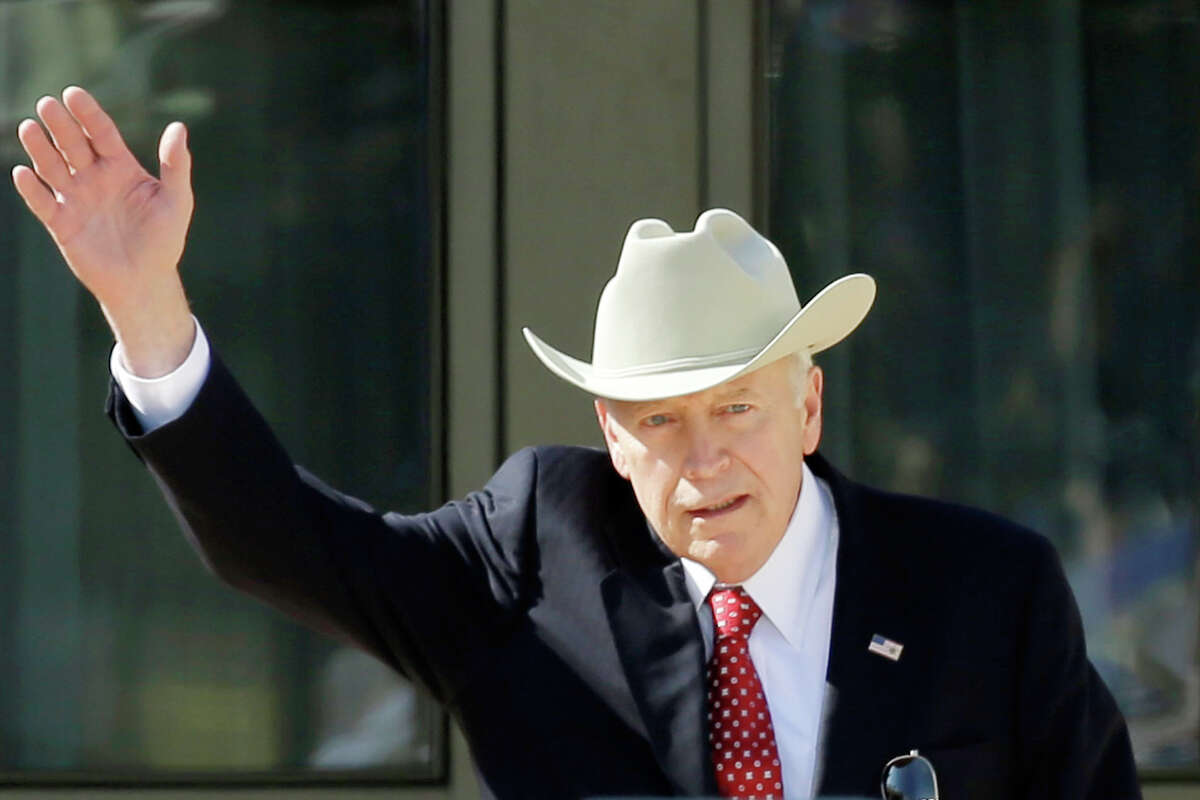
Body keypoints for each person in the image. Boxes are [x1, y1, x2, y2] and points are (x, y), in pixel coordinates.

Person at [11, 88, 1140, 799]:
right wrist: (145, 307)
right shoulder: (539, 551)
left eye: (738, 408)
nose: (704, 460)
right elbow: (294, 546)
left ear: (808, 407)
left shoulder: (985, 593)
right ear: (611, 433)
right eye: (661, 420)